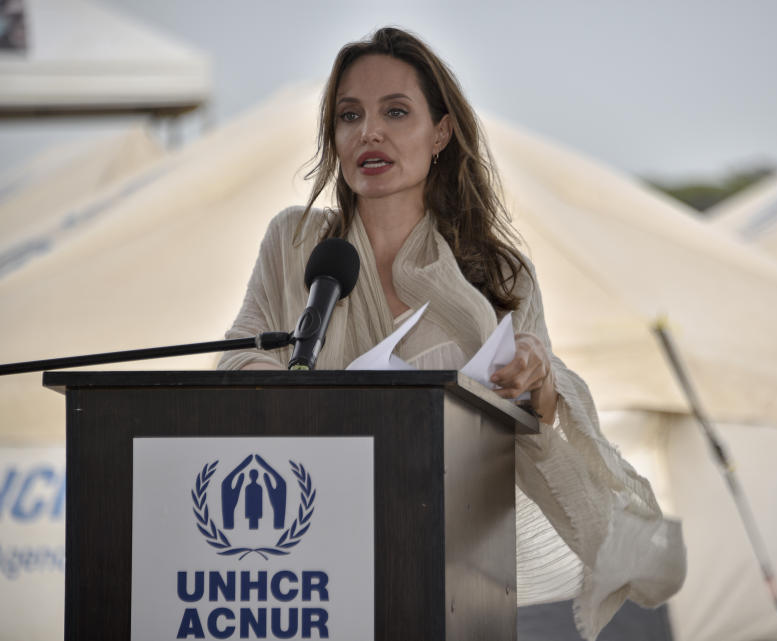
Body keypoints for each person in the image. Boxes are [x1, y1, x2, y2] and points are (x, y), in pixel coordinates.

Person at [218, 27, 685, 640]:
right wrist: (297, 388)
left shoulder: (499, 275)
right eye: (349, 115)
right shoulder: (297, 242)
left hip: (450, 576)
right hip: (304, 571)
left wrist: (537, 380)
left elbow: (538, 440)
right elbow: (232, 364)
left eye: (395, 112)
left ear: (440, 133)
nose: (369, 133)